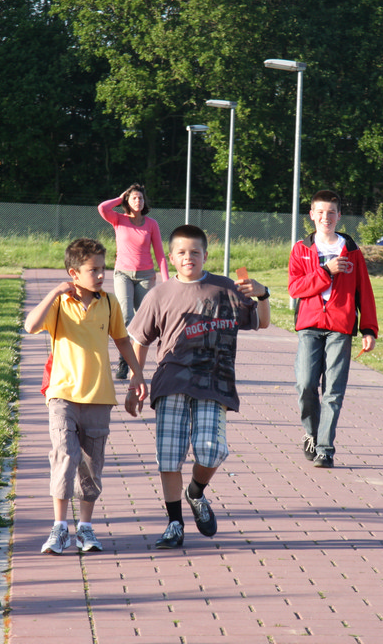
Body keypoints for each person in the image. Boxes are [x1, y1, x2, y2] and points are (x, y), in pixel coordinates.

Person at [128, 224, 271, 549]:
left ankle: (195, 492)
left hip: (214, 382)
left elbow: (261, 322)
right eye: (181, 252)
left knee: (212, 449)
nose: (188, 257)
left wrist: (262, 294)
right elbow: (140, 339)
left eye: (195, 252)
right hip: (171, 381)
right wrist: (136, 378)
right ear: (171, 257)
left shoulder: (225, 288)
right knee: (169, 456)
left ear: (205, 255)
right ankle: (174, 523)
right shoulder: (159, 294)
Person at [24, 238, 147, 555]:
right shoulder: (60, 303)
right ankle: (59, 527)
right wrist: (54, 292)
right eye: (94, 270)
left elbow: (122, 341)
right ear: (73, 273)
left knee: (92, 465)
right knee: (65, 455)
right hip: (62, 395)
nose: (101, 275)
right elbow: (30, 325)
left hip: (99, 396)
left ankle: (85, 528)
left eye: (103, 268)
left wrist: (137, 374)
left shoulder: (109, 303)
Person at [288, 189, 378, 468]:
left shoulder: (352, 251)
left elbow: (365, 291)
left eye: (331, 213)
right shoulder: (301, 249)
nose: (325, 217)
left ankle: (325, 449)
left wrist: (369, 329)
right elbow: (295, 288)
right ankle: (311, 434)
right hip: (309, 326)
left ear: (339, 216)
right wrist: (326, 271)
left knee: (333, 391)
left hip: (341, 327)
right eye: (320, 212)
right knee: (305, 385)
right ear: (311, 215)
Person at [98, 184, 169, 380]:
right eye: (134, 198)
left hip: (146, 276)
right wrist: (119, 198)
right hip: (123, 274)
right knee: (126, 316)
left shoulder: (151, 224)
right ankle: (124, 361)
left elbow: (160, 254)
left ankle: (146, 359)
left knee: (144, 320)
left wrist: (166, 280)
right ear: (127, 201)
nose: (138, 201)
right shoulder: (118, 219)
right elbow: (102, 208)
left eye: (141, 198)